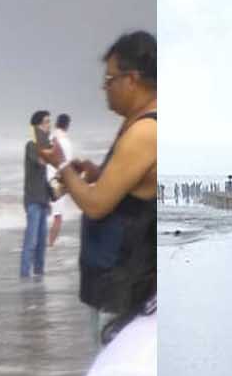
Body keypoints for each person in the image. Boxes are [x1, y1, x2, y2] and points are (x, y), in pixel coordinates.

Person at [45, 30, 157, 343]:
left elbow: (96, 205)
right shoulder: (138, 122)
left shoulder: (145, 131)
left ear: (131, 80)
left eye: (109, 80)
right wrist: (97, 173)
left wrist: (63, 167)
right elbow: (130, 192)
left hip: (123, 287)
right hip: (118, 283)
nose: (104, 89)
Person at [22, 110, 55, 279]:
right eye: (47, 122)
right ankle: (24, 277)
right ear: (38, 125)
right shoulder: (31, 145)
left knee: (41, 243)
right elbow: (41, 161)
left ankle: (39, 276)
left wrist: (50, 198)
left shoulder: (44, 145)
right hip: (33, 200)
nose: (49, 126)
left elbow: (44, 175)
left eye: (50, 122)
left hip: (42, 200)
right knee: (31, 241)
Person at [48, 112, 74, 247]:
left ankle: (39, 243)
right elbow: (66, 166)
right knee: (57, 217)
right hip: (57, 181)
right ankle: (50, 245)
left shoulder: (48, 138)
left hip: (43, 179)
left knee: (42, 212)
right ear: (67, 125)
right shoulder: (66, 142)